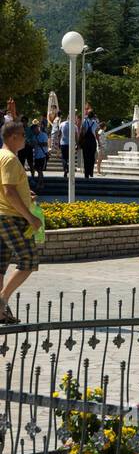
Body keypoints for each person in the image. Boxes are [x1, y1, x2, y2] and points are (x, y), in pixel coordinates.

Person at [0, 122, 42, 323]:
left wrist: (26, 196)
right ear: (12, 137)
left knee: (1, 265)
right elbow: (8, 191)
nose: (25, 138)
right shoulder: (9, 159)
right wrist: (30, 217)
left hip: (3, 214)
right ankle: (2, 299)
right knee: (29, 260)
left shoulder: (1, 156)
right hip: (10, 217)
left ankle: (0, 313)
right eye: (22, 135)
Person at [79, 107, 99, 179]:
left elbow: (82, 132)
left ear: (88, 115)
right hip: (92, 142)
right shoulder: (95, 123)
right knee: (92, 157)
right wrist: (99, 142)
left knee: (86, 157)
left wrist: (79, 141)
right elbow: (96, 134)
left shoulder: (84, 122)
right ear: (93, 116)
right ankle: (91, 171)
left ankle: (86, 173)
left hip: (86, 141)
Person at [33, 119, 49, 194]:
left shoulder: (43, 135)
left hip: (42, 155)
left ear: (38, 128)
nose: (34, 130)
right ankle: (41, 183)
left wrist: (38, 144)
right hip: (37, 156)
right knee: (38, 170)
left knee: (40, 170)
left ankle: (40, 184)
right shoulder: (34, 136)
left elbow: (46, 144)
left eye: (35, 128)